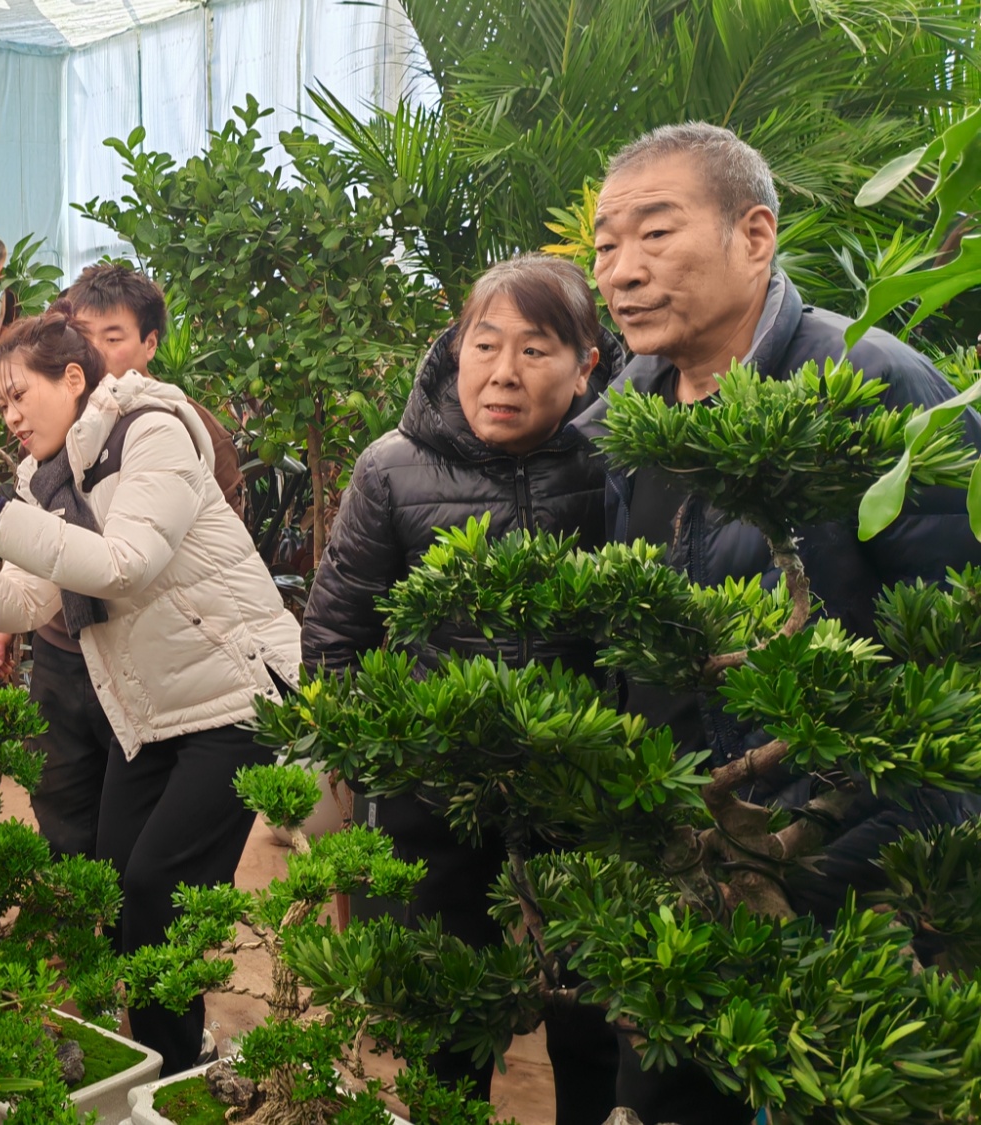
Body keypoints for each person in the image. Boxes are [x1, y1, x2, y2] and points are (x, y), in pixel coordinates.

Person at [576, 122, 981, 1124]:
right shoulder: (623, 416)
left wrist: (826, 859)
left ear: (753, 236)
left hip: (834, 869)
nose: (619, 271)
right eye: (601, 246)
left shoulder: (868, 384)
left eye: (652, 235)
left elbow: (955, 675)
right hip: (686, 852)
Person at [0, 300, 298, 1073]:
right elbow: (23, 602)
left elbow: (123, 562)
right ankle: (147, 1060)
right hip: (150, 710)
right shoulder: (44, 479)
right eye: (2, 402)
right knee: (106, 887)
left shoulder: (152, 431)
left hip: (239, 697)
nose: (11, 415)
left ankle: (166, 1071)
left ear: (74, 377)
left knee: (154, 889)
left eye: (21, 394)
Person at [300, 253, 622, 1123]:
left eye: (536, 349)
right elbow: (337, 632)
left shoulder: (622, 461)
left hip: (584, 786)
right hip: (439, 790)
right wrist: (353, 760)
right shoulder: (391, 468)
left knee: (594, 1017)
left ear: (587, 362)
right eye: (486, 345)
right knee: (445, 1013)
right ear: (455, 349)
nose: (504, 373)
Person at [0, 263, 244, 862]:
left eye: (112, 336)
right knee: (63, 805)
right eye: (80, 332)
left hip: (144, 652)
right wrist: (3, 611)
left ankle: (132, 946)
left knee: (139, 842)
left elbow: (205, 558)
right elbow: (34, 529)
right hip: (62, 649)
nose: (93, 349)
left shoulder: (175, 428)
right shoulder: (50, 438)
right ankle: (78, 945)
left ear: (150, 344)